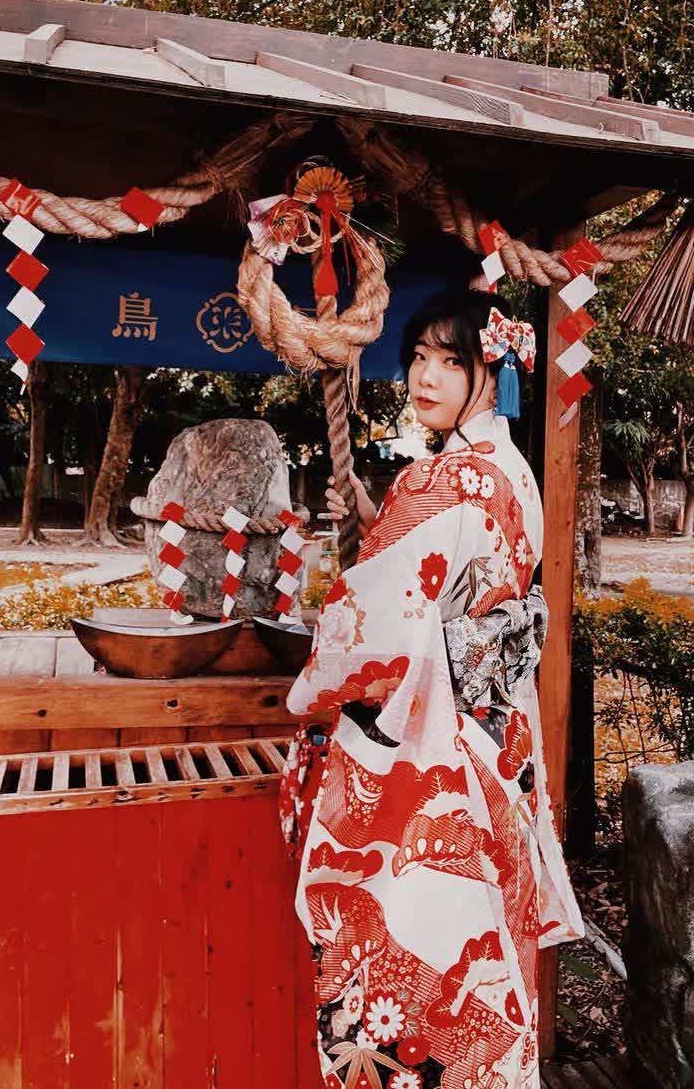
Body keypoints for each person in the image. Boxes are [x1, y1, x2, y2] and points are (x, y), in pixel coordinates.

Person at [282, 288, 583, 1089]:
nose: (426, 375)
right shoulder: (516, 475)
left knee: (406, 942)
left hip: (434, 756)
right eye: (419, 356)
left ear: (493, 372)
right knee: (484, 942)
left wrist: (314, 693)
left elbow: (367, 631)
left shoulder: (437, 484)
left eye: (454, 360)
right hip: (500, 754)